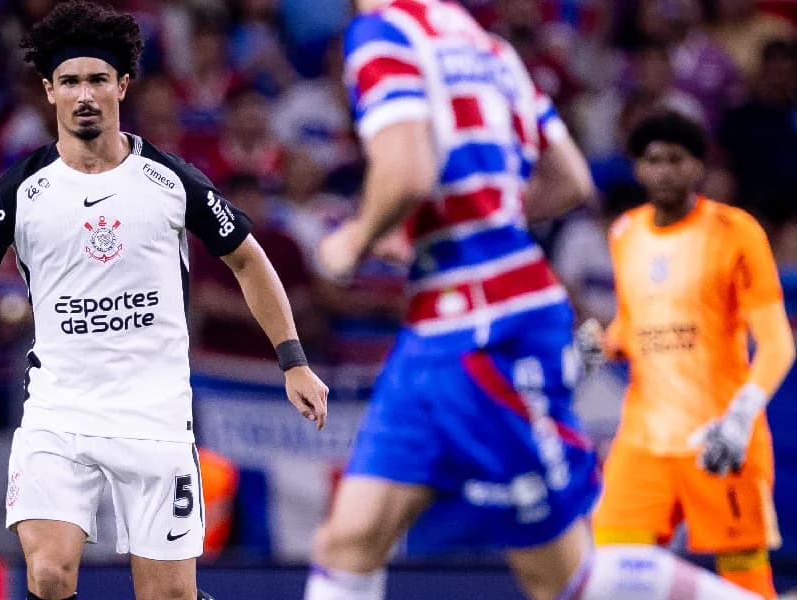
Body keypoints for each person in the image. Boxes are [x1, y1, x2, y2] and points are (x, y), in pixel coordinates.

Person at [304, 2, 764, 600]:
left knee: (564, 576)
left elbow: (408, 171)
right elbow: (571, 179)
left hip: (489, 334)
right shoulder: (492, 51)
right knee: (349, 541)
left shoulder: (381, 35)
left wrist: (351, 241)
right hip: (438, 335)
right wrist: (482, 214)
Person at [0, 3, 329, 600]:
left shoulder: (171, 180)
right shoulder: (16, 193)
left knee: (168, 596)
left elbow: (247, 260)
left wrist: (293, 361)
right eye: (71, 81)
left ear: (122, 86)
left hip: (154, 414)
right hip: (60, 412)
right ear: (49, 90)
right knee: (49, 575)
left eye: (98, 79)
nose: (85, 94)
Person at [582, 110, 795, 600]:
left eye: (676, 160)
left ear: (698, 167)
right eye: (652, 160)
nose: (664, 171)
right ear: (637, 169)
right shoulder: (625, 234)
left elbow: (778, 341)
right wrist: (601, 343)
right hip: (643, 443)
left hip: (720, 438)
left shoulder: (735, 232)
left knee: (746, 583)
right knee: (610, 572)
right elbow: (634, 324)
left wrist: (741, 417)